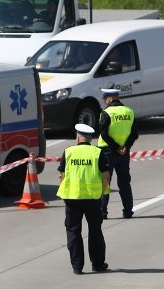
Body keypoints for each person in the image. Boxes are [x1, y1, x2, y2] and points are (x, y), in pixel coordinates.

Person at [57, 123, 111, 275]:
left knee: (73, 231)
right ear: (90, 138)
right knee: (95, 231)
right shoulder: (97, 152)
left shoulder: (68, 152)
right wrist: (101, 193)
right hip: (92, 198)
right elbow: (106, 175)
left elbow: (62, 175)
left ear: (78, 136)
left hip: (72, 198)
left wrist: (64, 194)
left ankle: (77, 266)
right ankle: (97, 264)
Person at [97, 88, 138, 219]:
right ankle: (128, 211)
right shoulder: (129, 111)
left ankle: (103, 212)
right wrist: (125, 147)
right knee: (125, 183)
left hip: (107, 152)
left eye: (105, 99)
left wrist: (116, 147)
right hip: (124, 154)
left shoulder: (106, 113)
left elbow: (104, 134)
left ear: (110, 98)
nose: (105, 101)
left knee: (105, 182)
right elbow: (134, 134)